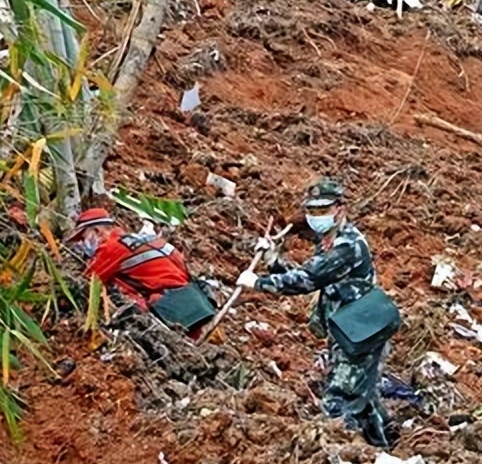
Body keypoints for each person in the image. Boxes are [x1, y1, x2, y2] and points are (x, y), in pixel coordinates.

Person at [235, 179, 394, 446]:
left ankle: (343, 456)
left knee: (338, 400)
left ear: (340, 209)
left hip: (363, 334)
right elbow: (310, 276)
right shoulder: (329, 242)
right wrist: (273, 260)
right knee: (363, 400)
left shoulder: (347, 245)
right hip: (348, 330)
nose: (317, 217)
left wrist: (258, 283)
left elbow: (308, 279)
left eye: (324, 210)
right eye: (312, 211)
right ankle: (384, 448)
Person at [68, 208, 214, 336]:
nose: (82, 244)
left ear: (97, 231)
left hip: (168, 308)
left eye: (83, 237)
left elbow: (88, 282)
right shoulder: (149, 239)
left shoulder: (110, 247)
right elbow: (181, 264)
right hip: (195, 301)